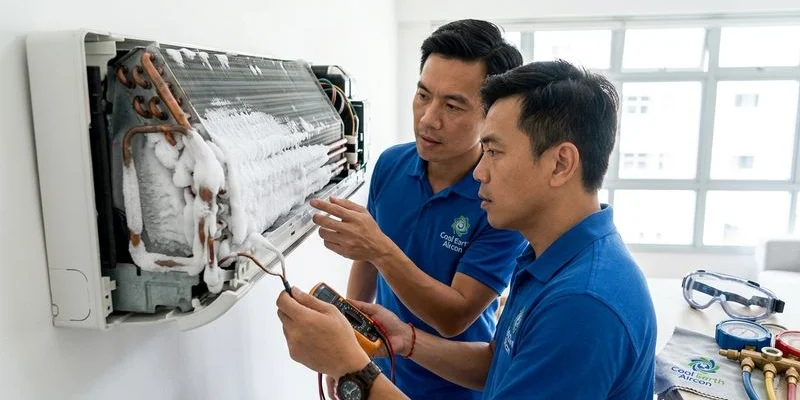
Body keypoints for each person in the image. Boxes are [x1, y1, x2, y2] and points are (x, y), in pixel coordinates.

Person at [277, 60, 658, 399]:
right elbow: (498, 365)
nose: (480, 172)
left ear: (560, 164)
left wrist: (351, 370)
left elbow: (457, 315)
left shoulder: (583, 306)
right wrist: (406, 340)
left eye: (493, 151)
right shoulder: (548, 257)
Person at [308, 19, 525, 399]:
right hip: (385, 376)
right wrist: (350, 341)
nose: (428, 119)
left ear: (490, 116)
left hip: (458, 387)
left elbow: (454, 317)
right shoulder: (391, 165)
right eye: (423, 95)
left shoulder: (502, 201)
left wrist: (378, 246)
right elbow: (366, 260)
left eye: (453, 105)